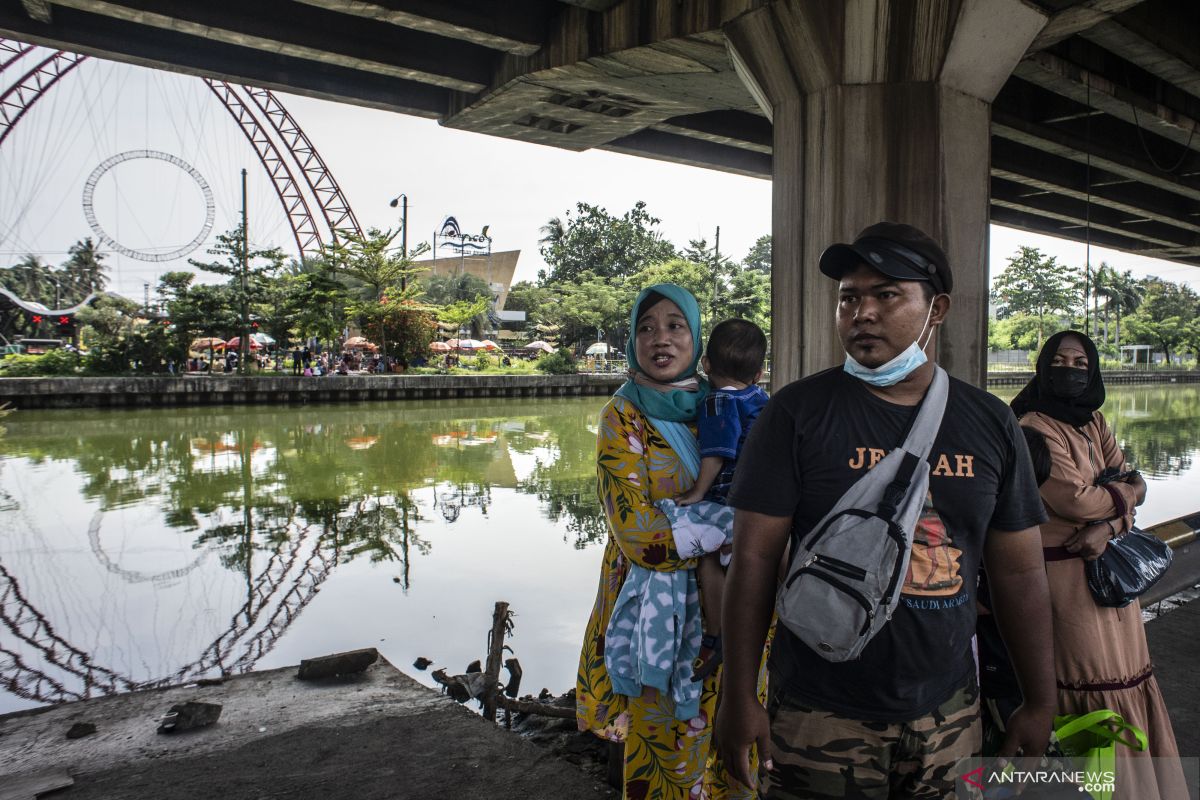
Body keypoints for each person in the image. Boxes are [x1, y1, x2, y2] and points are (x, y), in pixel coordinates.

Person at [717, 222, 1057, 798]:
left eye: (887, 294)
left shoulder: (990, 422)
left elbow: (1019, 572)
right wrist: (739, 695)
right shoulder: (795, 414)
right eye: (849, 297)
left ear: (937, 309)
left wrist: (1039, 699)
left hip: (949, 708)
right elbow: (752, 559)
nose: (862, 312)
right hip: (816, 713)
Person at [576, 284, 761, 800]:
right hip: (658, 614)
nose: (660, 338)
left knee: (737, 745)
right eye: (646, 327)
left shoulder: (726, 402)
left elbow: (774, 493)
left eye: (675, 325)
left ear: (696, 338)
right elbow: (636, 534)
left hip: (734, 606)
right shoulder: (622, 415)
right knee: (667, 750)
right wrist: (736, 538)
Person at [1012, 330, 1186, 799]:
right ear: (1044, 366)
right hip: (1065, 580)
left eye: (1081, 360)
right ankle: (1093, 787)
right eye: (1061, 360)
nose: (1071, 369)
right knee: (1087, 680)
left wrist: (1110, 526)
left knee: (1128, 672)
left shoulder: (1093, 422)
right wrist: (1121, 501)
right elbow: (1078, 499)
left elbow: (1131, 481)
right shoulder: (1033, 427)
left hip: (1108, 575)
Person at [670, 318, 769, 682]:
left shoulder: (717, 402)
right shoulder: (761, 398)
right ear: (759, 372)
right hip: (761, 500)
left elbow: (716, 453)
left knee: (710, 559)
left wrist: (696, 492)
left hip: (729, 497)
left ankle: (717, 632)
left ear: (706, 365)